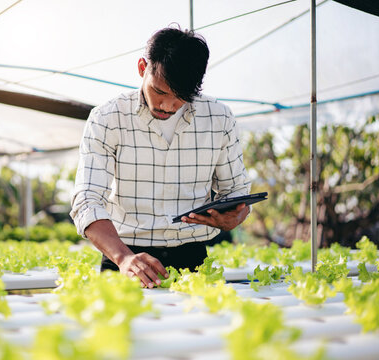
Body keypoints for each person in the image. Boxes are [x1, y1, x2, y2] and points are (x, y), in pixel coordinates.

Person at [70, 26, 250, 288]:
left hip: (193, 260)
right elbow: (86, 200)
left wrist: (233, 216)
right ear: (143, 67)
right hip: (124, 258)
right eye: (160, 92)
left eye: (181, 98)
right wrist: (123, 258)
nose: (168, 106)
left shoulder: (220, 118)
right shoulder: (107, 118)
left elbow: (236, 191)